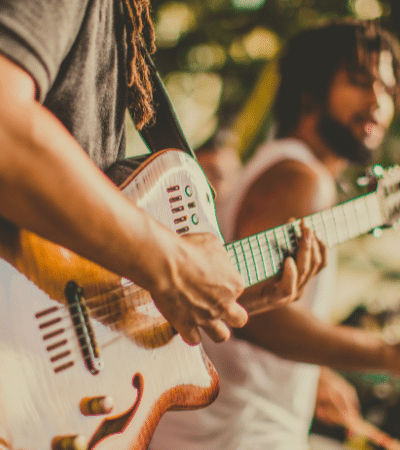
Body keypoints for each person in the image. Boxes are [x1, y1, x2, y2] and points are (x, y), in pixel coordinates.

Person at [149, 19, 400, 450]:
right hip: (236, 432)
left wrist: (316, 371)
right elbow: (259, 322)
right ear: (311, 92)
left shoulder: (283, 167)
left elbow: (253, 295)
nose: (378, 102)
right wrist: (388, 356)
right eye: (360, 82)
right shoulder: (298, 175)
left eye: (388, 89)